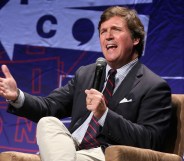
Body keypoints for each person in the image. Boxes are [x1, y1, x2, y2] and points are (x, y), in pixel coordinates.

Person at [0, 6, 172, 161]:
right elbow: (50, 106)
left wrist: (104, 114)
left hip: (104, 153)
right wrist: (17, 97)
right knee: (48, 122)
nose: (108, 36)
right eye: (103, 31)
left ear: (135, 39)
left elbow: (150, 140)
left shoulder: (153, 86)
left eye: (116, 30)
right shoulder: (87, 73)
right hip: (69, 148)